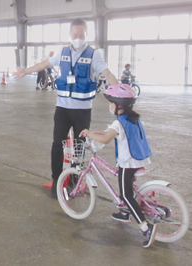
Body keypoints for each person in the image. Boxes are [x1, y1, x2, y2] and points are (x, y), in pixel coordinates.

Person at [13, 18, 119, 197]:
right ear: (70, 34)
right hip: (62, 108)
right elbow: (45, 64)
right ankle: (57, 180)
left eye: (81, 35)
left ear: (86, 35)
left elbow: (107, 73)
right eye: (75, 34)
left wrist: (117, 95)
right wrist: (26, 71)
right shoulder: (62, 52)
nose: (78, 37)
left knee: (79, 146)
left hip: (82, 111)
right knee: (57, 145)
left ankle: (76, 181)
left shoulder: (94, 54)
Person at [79, 84, 157, 248]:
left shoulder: (118, 123)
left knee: (127, 194)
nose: (109, 105)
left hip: (128, 162)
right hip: (140, 158)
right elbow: (111, 132)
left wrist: (89, 133)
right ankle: (125, 213)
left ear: (116, 105)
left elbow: (106, 139)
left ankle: (145, 227)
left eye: (110, 102)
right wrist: (99, 132)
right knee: (125, 187)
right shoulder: (132, 117)